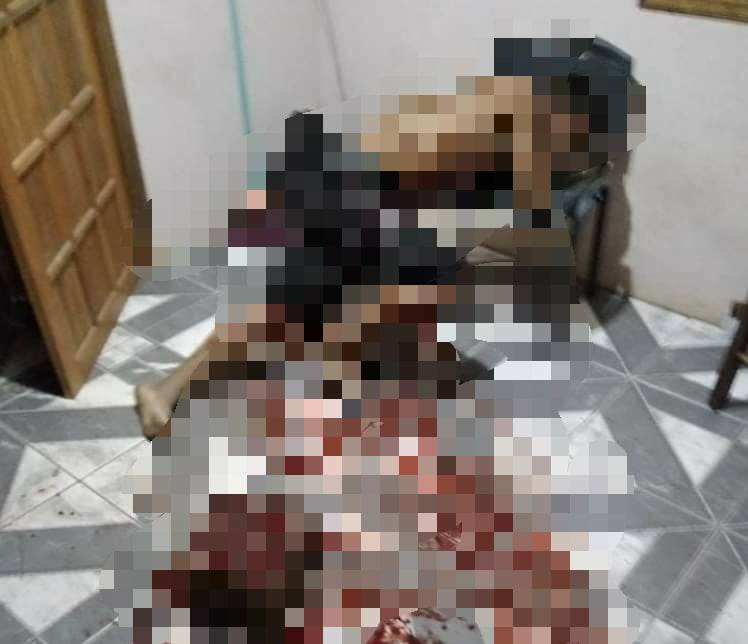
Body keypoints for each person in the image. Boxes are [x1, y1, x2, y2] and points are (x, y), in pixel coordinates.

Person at [109, 35, 645, 643]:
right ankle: (176, 401)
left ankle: (184, 396)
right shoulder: (489, 131)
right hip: (347, 215)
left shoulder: (536, 149)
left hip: (382, 229)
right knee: (283, 324)